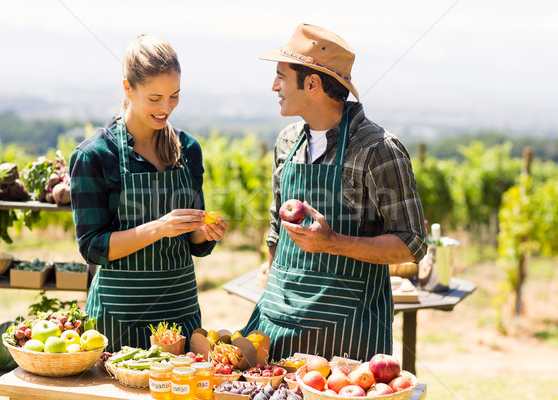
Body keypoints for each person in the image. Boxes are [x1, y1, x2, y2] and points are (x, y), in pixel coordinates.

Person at [243, 24, 428, 361]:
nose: (274, 86)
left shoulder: (377, 149)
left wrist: (334, 243)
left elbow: (412, 243)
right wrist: (273, 293)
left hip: (346, 334)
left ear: (312, 83)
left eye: (281, 76)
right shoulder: (287, 141)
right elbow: (276, 230)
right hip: (279, 324)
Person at [69, 34, 228, 352]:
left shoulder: (189, 149)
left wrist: (204, 232)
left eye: (174, 96)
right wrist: (159, 228)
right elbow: (93, 248)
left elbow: (194, 245)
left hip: (181, 316)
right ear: (128, 89)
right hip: (118, 322)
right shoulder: (96, 155)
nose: (166, 108)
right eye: (154, 98)